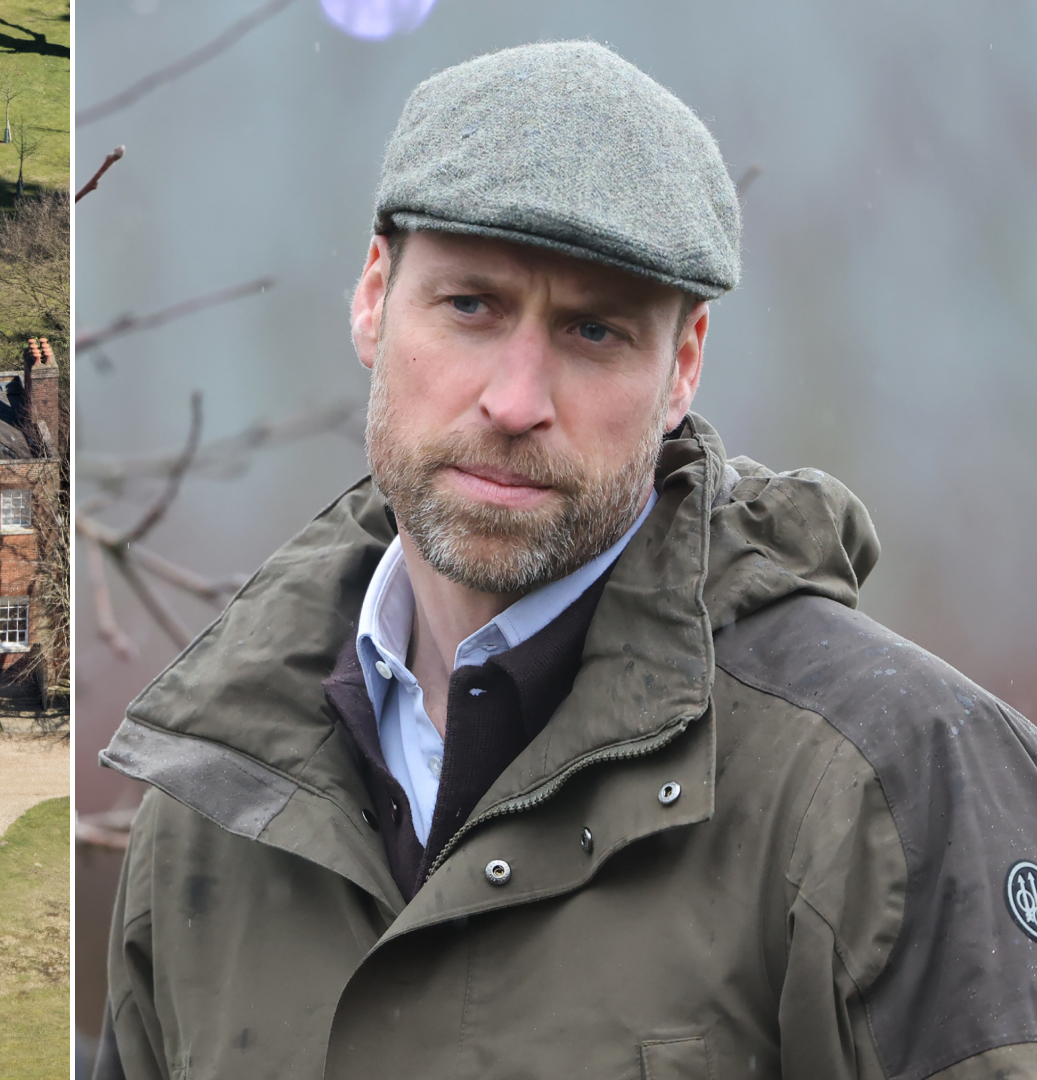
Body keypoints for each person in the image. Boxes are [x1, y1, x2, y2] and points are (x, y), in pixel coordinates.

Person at [92, 41, 1037, 1080]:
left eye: (594, 331)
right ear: (374, 297)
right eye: (471, 307)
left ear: (681, 368)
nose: (515, 399)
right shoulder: (212, 795)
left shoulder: (895, 777)